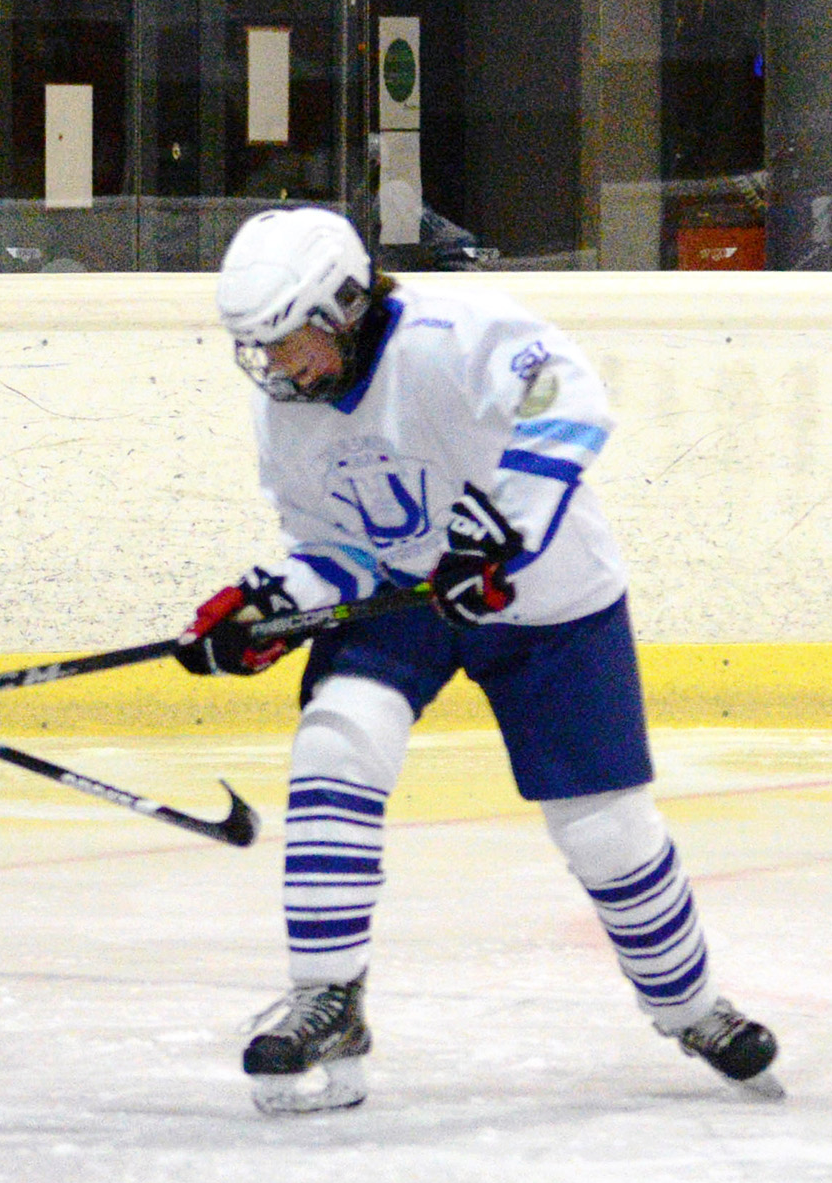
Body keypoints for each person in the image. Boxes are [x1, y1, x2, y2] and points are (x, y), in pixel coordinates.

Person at [180, 206, 781, 1113]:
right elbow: (333, 550)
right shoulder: (289, 415)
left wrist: (505, 529)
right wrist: (268, 605)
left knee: (605, 830)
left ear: (341, 305)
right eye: (257, 350)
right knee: (334, 749)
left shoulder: (451, 336)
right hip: (408, 604)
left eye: (285, 341)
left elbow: (570, 399)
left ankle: (690, 1007)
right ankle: (327, 1001)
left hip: (546, 600)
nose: (272, 368)